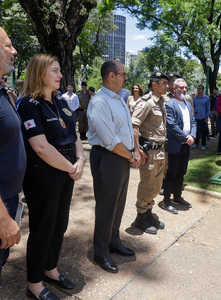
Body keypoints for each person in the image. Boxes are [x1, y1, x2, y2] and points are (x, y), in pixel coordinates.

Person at [18, 54, 85, 300]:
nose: (60, 76)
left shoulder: (60, 101)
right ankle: (34, 284)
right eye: (55, 71)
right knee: (43, 227)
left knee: (60, 224)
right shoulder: (28, 104)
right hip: (43, 174)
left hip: (66, 170)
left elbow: (74, 133)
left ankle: (51, 270)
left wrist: (81, 160)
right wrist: (71, 166)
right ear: (40, 73)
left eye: (60, 71)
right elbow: (41, 147)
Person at [87, 59, 141, 274]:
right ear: (111, 75)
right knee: (106, 206)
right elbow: (109, 139)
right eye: (122, 74)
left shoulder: (118, 98)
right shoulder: (100, 101)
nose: (125, 77)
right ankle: (100, 251)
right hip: (108, 157)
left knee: (118, 204)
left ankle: (113, 241)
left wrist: (135, 151)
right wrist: (130, 156)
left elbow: (127, 130)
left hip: (122, 157)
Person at [0, 26, 26, 279]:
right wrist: (3, 219)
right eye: (8, 46)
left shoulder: (4, 93)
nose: (14, 51)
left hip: (9, 198)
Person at [132, 71, 169, 234]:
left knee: (156, 185)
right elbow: (134, 126)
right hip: (149, 151)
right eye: (164, 83)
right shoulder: (145, 102)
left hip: (160, 150)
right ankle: (140, 217)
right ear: (154, 85)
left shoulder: (161, 101)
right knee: (147, 184)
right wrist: (137, 149)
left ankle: (148, 212)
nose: (167, 86)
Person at [162, 78, 196, 214]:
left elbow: (193, 122)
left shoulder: (188, 104)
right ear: (174, 89)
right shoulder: (169, 104)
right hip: (176, 144)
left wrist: (192, 136)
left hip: (186, 145)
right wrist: (185, 137)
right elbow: (171, 125)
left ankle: (177, 197)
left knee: (181, 173)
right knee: (171, 173)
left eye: (185, 87)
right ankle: (166, 201)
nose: (184, 90)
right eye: (181, 87)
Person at [193, 84, 210, 151]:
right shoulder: (195, 98)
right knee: (196, 131)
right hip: (196, 117)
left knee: (203, 132)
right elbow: (194, 106)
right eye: (197, 89)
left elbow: (208, 108)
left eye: (200, 89)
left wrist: (207, 116)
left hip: (203, 117)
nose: (198, 90)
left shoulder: (206, 98)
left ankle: (203, 145)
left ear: (203, 90)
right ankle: (196, 143)